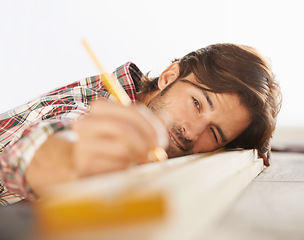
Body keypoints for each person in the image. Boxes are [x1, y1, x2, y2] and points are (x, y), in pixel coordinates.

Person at [0, 43, 282, 205]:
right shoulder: (94, 102)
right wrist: (73, 159)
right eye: (197, 104)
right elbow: (37, 149)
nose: (192, 133)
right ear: (169, 76)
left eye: (214, 132)